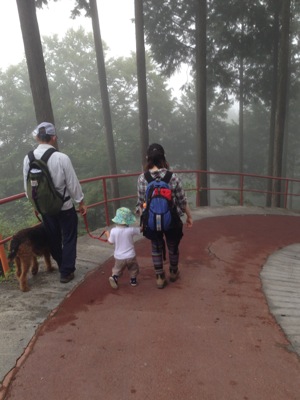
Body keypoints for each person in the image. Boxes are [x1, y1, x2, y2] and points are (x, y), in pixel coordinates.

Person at [23, 121, 87, 284]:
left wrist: (35, 205)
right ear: (54, 138)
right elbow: (72, 183)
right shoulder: (61, 158)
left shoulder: (28, 158)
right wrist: (80, 201)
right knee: (69, 237)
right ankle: (66, 271)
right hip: (64, 206)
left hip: (45, 208)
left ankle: (62, 264)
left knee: (53, 238)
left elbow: (27, 185)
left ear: (37, 137)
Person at [137, 143, 193, 289]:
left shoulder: (143, 178)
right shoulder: (172, 177)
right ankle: (174, 272)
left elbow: (141, 203)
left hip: (151, 220)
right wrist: (189, 216)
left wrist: (143, 220)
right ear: (163, 158)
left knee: (156, 246)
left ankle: (159, 277)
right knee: (173, 245)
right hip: (171, 220)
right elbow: (182, 200)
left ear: (147, 158)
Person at [104, 207, 141, 289]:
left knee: (117, 269)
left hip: (119, 256)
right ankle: (133, 280)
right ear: (128, 221)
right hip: (131, 256)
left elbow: (110, 242)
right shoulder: (131, 230)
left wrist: (107, 234)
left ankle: (115, 278)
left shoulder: (113, 231)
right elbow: (140, 230)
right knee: (133, 268)